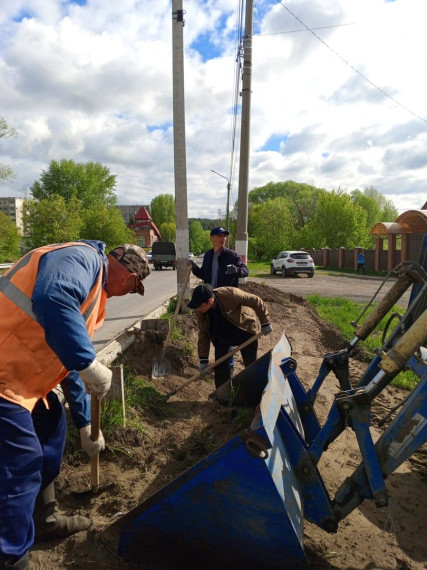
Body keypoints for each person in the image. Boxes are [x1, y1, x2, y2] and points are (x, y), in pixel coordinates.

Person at [0, 241, 151, 569]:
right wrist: (87, 362)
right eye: (132, 284)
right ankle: (11, 557)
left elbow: (64, 360)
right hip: (3, 375)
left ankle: (44, 517)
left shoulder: (95, 293)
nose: (128, 291)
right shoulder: (81, 258)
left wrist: (85, 424)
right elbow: (53, 299)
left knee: (53, 425)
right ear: (124, 271)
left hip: (23, 381)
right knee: (22, 462)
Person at [188, 226, 249, 375]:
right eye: (219, 236)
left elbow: (245, 270)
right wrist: (194, 267)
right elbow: (204, 275)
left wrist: (236, 270)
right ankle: (209, 363)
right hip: (210, 301)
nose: (223, 239)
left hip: (225, 302)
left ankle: (229, 367)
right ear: (212, 238)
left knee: (226, 336)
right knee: (212, 332)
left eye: (224, 236)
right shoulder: (208, 256)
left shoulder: (231, 256)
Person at [187, 284, 273, 389]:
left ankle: (255, 392)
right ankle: (222, 394)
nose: (198, 308)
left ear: (210, 301)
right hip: (221, 336)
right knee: (221, 368)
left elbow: (256, 300)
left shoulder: (231, 295)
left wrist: (265, 322)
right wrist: (203, 359)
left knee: (251, 365)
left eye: (200, 306)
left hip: (244, 330)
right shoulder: (199, 311)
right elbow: (203, 333)